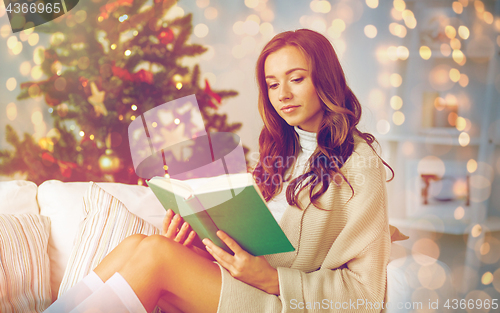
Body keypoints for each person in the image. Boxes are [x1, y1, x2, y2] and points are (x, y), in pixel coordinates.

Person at [45, 28, 394, 313]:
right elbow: (255, 243)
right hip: (243, 283)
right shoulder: (275, 155)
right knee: (142, 243)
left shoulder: (359, 163)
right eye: (273, 84)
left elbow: (366, 292)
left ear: (325, 80)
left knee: (156, 255)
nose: (283, 94)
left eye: (296, 79)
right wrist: (200, 239)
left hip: (281, 301)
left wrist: (273, 279)